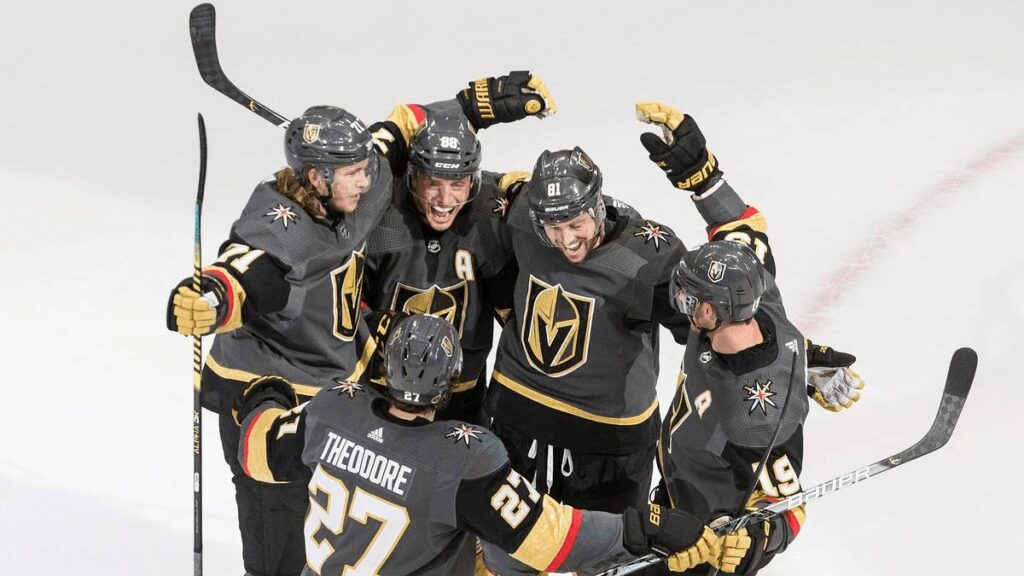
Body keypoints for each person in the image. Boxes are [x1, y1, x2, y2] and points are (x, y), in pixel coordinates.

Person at [165, 73, 554, 576]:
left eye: (363, 168)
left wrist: (477, 105)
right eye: (352, 173)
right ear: (315, 178)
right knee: (281, 547)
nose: (367, 181)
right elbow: (247, 268)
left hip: (333, 397)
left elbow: (403, 124)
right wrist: (213, 298)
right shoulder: (285, 226)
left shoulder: (361, 186)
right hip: (265, 396)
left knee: (340, 535)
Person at [234, 314, 716, 575]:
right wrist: (643, 528)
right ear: (449, 383)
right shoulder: (461, 458)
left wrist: (264, 397)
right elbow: (550, 540)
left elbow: (258, 453)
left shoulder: (333, 409)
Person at [633, 102, 866, 574]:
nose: (679, 301)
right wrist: (700, 174)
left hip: (705, 548)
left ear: (713, 311)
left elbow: (790, 505)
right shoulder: (756, 295)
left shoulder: (757, 416)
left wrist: (755, 542)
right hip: (671, 502)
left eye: (689, 297)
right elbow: (742, 226)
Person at [362, 106, 537, 424]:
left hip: (461, 396)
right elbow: (342, 303)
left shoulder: (489, 216)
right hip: (381, 391)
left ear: (473, 182)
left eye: (457, 184)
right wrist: (379, 325)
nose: (445, 200)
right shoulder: (380, 211)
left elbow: (515, 316)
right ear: (412, 177)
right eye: (433, 183)